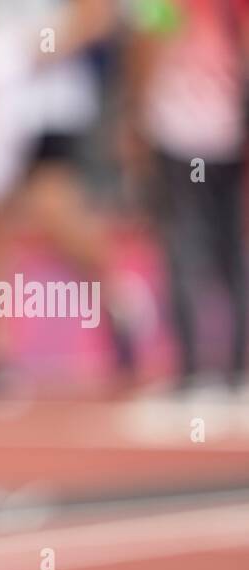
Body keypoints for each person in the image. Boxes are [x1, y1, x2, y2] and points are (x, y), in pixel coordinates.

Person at [0, 0, 141, 397]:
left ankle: (117, 296)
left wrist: (25, 53)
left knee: (53, 210)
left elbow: (96, 16)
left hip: (48, 103)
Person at [118, 0, 249, 395]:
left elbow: (146, 46)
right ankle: (237, 369)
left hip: (179, 131)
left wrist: (136, 116)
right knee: (229, 247)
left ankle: (193, 370)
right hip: (224, 129)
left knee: (184, 245)